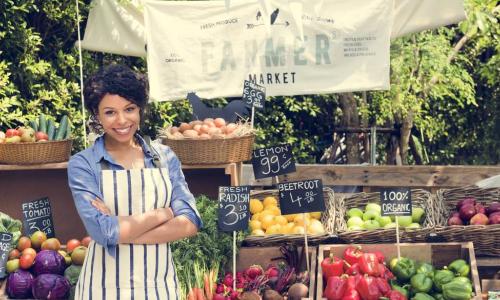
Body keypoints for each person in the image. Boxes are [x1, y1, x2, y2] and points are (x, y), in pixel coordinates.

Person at [67, 64, 202, 300]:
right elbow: (102, 231)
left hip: (159, 288)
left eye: (129, 109)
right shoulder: (84, 164)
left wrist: (120, 232)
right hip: (103, 289)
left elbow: (190, 221)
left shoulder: (164, 157)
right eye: (110, 112)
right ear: (97, 115)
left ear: (139, 109)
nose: (121, 120)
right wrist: (166, 213)